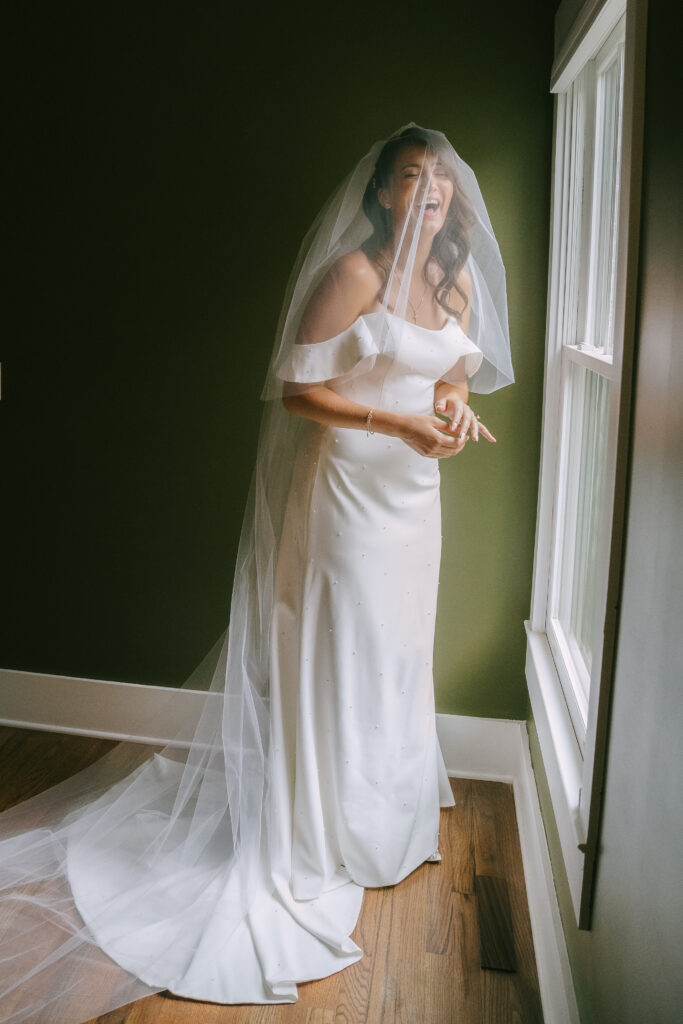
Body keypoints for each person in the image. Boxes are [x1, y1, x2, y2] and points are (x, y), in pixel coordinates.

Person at [0, 124, 513, 1022]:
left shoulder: (452, 277)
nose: (427, 193)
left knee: (395, 651)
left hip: (414, 501)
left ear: (452, 200)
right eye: (409, 179)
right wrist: (396, 427)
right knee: (342, 648)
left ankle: (377, 821)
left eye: (439, 182)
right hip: (351, 492)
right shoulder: (352, 275)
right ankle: (319, 824)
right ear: (384, 194)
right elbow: (293, 388)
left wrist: (447, 411)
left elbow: (456, 376)